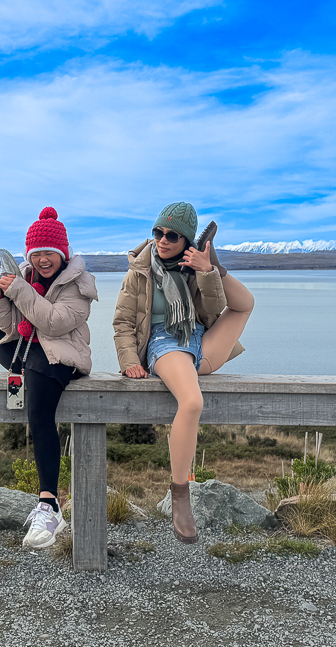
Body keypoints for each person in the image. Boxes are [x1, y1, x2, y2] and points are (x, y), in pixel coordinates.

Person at [113, 202, 254, 544]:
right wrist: (129, 359)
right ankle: (180, 493)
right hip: (163, 343)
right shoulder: (140, 271)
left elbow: (220, 309)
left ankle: (217, 262)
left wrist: (209, 270)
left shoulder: (193, 269)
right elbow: (123, 323)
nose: (162, 240)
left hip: (197, 340)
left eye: (171, 235)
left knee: (247, 304)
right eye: (158, 232)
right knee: (191, 403)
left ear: (186, 241)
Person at [0, 207, 98, 548]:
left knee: (41, 415)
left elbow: (54, 323)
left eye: (50, 253)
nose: (43, 260)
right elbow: (7, 327)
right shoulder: (26, 280)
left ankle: (49, 505)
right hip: (31, 354)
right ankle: (24, 371)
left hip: (63, 357)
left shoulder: (79, 285)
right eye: (37, 254)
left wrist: (17, 290)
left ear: (63, 254)